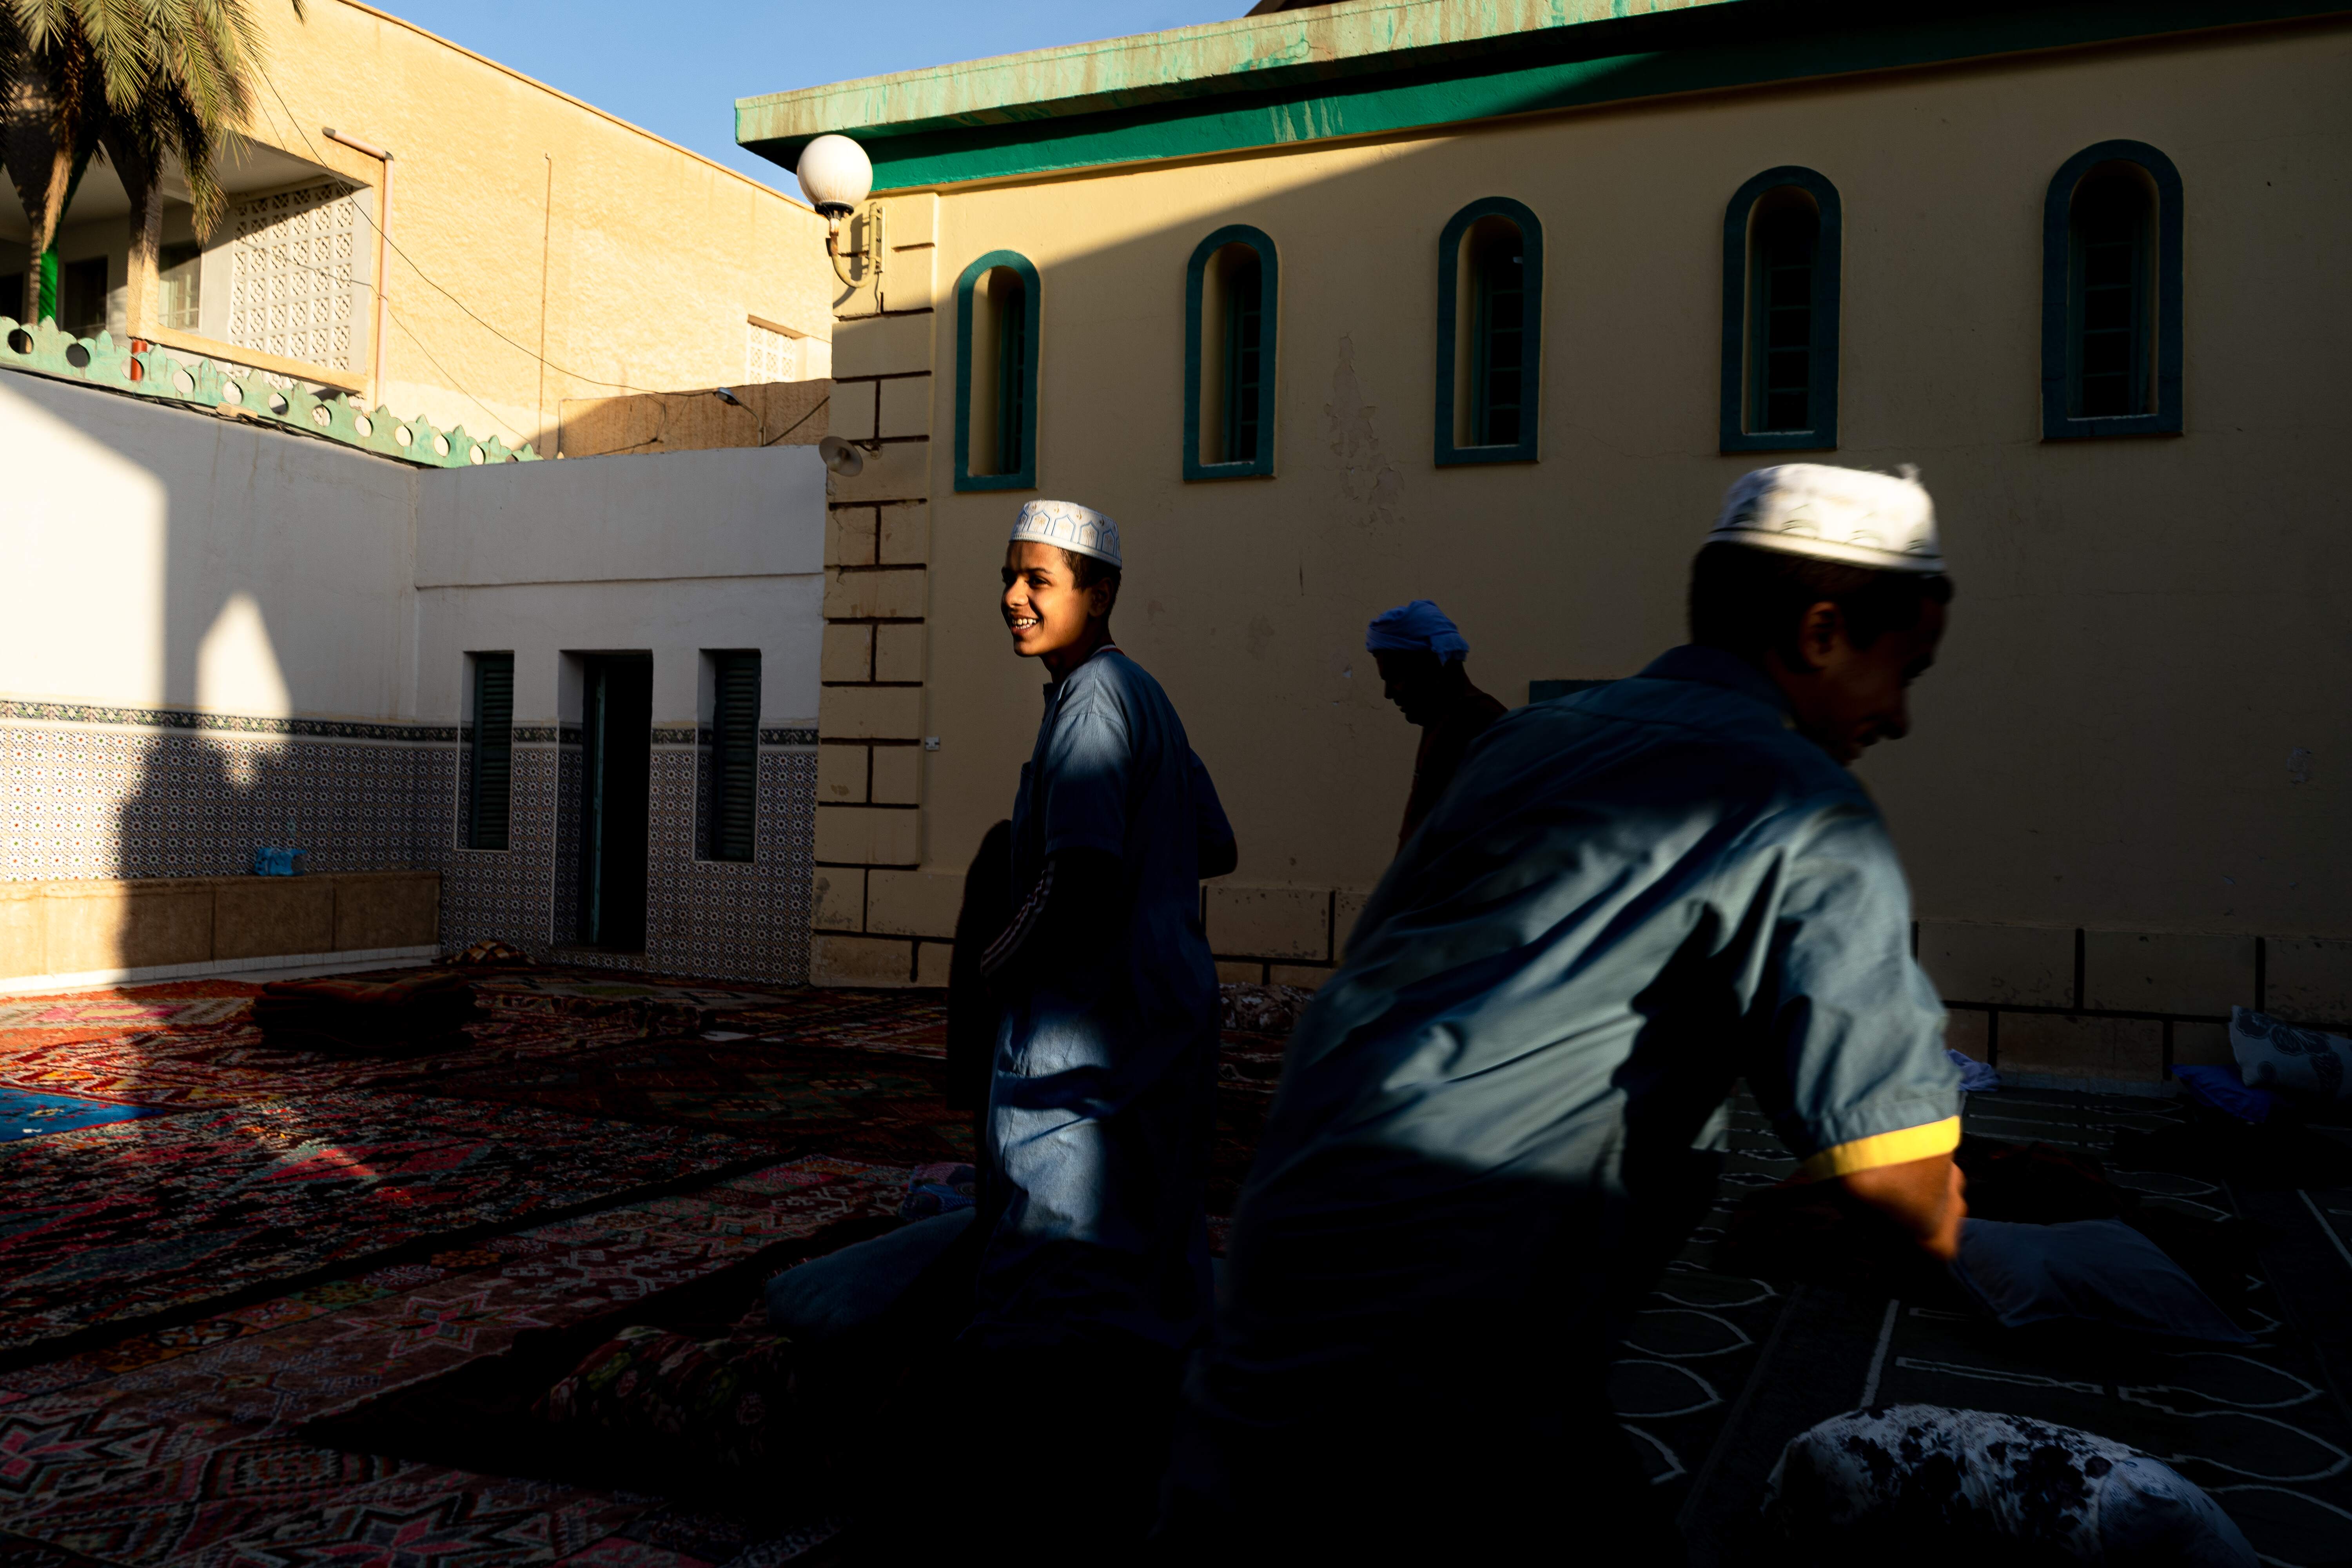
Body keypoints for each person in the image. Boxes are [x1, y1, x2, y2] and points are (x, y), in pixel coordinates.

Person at [1163, 464, 1967, 1560]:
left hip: (1274, 1311)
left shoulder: (1524, 743)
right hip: (1457, 1365)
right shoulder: (1805, 807)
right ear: (1822, 631)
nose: (1904, 717)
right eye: (1903, 672)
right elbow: (1907, 1191)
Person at [963, 498, 1237, 1546]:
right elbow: (1215, 841)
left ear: (1101, 593)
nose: (1015, 597)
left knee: (1056, 1274)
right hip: (1161, 1030)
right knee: (1152, 1256)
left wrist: (991, 971)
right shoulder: (1145, 698)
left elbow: (1076, 877)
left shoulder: (1088, 703)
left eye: (1040, 579)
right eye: (1011, 575)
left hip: (1083, 1049)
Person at [1365, 599, 1509, 846]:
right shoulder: (1442, 720)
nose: (1389, 694)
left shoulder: (1473, 723)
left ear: (1432, 665)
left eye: (1396, 678)